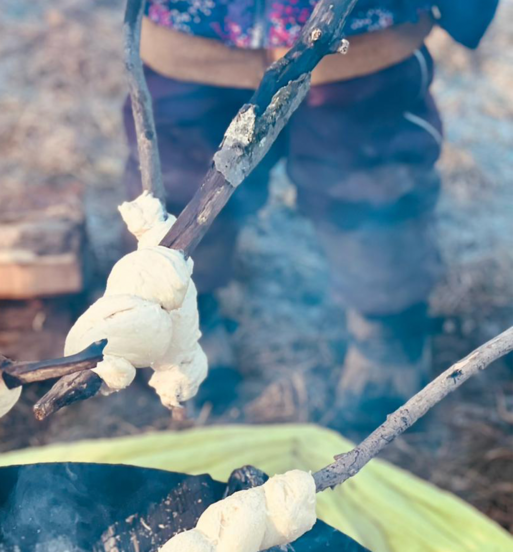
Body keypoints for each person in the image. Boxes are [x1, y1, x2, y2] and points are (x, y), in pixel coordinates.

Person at [121, 1, 499, 430]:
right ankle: (183, 319)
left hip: (362, 34)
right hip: (190, 31)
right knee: (181, 184)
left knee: (371, 184)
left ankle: (387, 326)